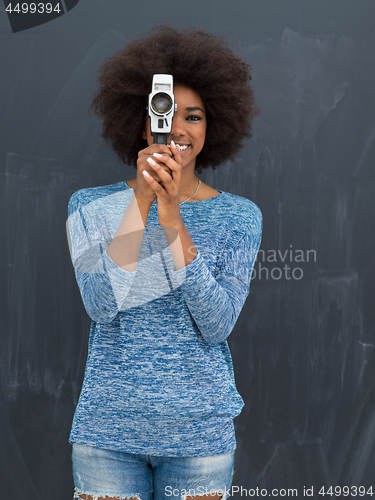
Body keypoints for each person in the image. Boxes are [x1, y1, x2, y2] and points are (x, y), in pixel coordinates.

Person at [66, 25, 262, 500]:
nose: (178, 128)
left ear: (211, 127)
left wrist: (173, 218)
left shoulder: (240, 215)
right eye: (167, 112)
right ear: (142, 122)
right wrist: (141, 203)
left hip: (200, 441)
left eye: (194, 117)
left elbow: (217, 324)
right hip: (107, 437)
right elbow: (100, 304)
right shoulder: (88, 206)